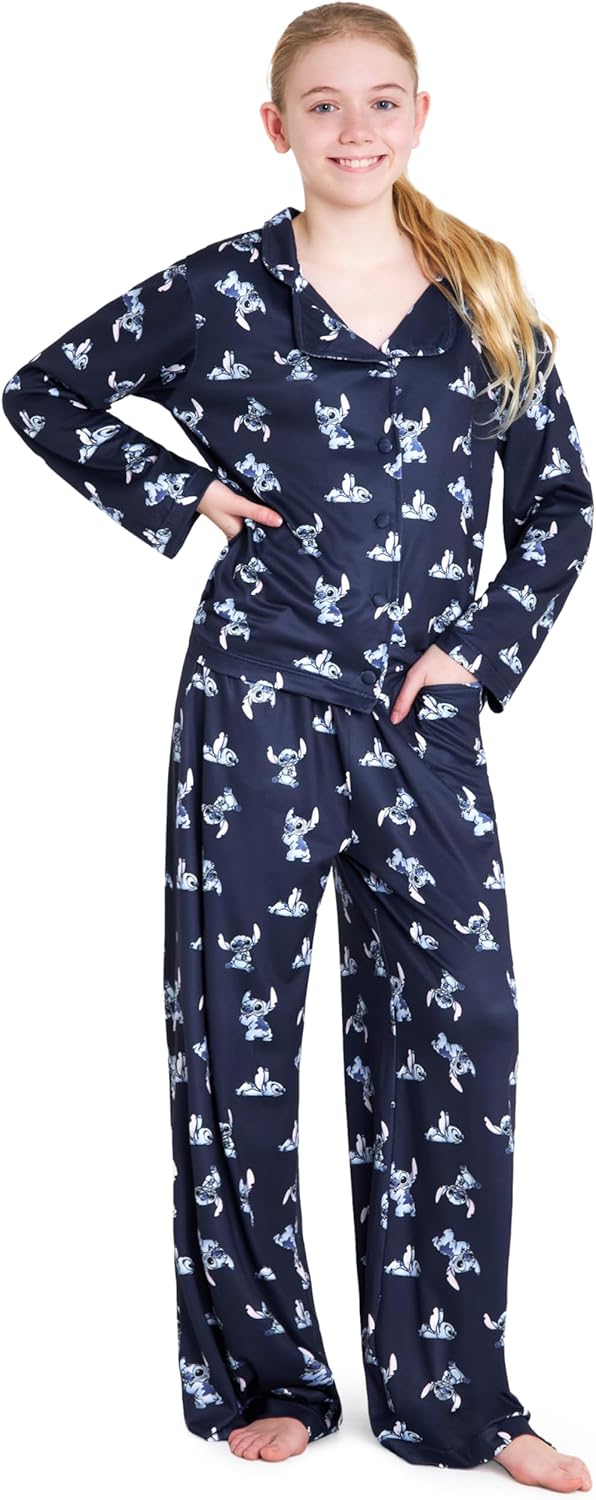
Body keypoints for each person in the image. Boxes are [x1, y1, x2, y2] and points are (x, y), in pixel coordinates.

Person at [3, 3, 593, 1488]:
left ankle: (457, 1398)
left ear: (420, 117)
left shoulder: (488, 294)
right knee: (237, 1039)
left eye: (381, 101)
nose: (354, 129)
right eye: (322, 105)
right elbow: (44, 390)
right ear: (278, 127)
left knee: (466, 1025)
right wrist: (185, 496)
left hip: (421, 720)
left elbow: (562, 503)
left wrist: (483, 650)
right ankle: (269, 1376)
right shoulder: (220, 291)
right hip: (255, 702)